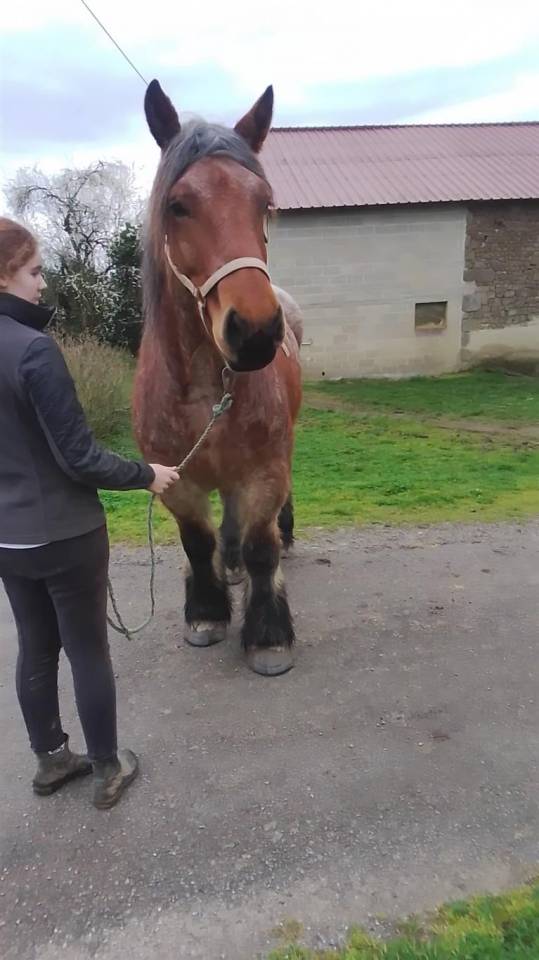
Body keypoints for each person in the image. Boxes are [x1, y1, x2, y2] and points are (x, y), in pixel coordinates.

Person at [0, 217, 179, 809]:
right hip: (66, 536)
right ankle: (106, 767)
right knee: (86, 650)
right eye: (33, 271)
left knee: (34, 644)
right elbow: (78, 457)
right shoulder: (33, 350)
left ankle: (52, 761)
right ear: (4, 277)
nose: (42, 284)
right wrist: (147, 475)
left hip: (9, 540)